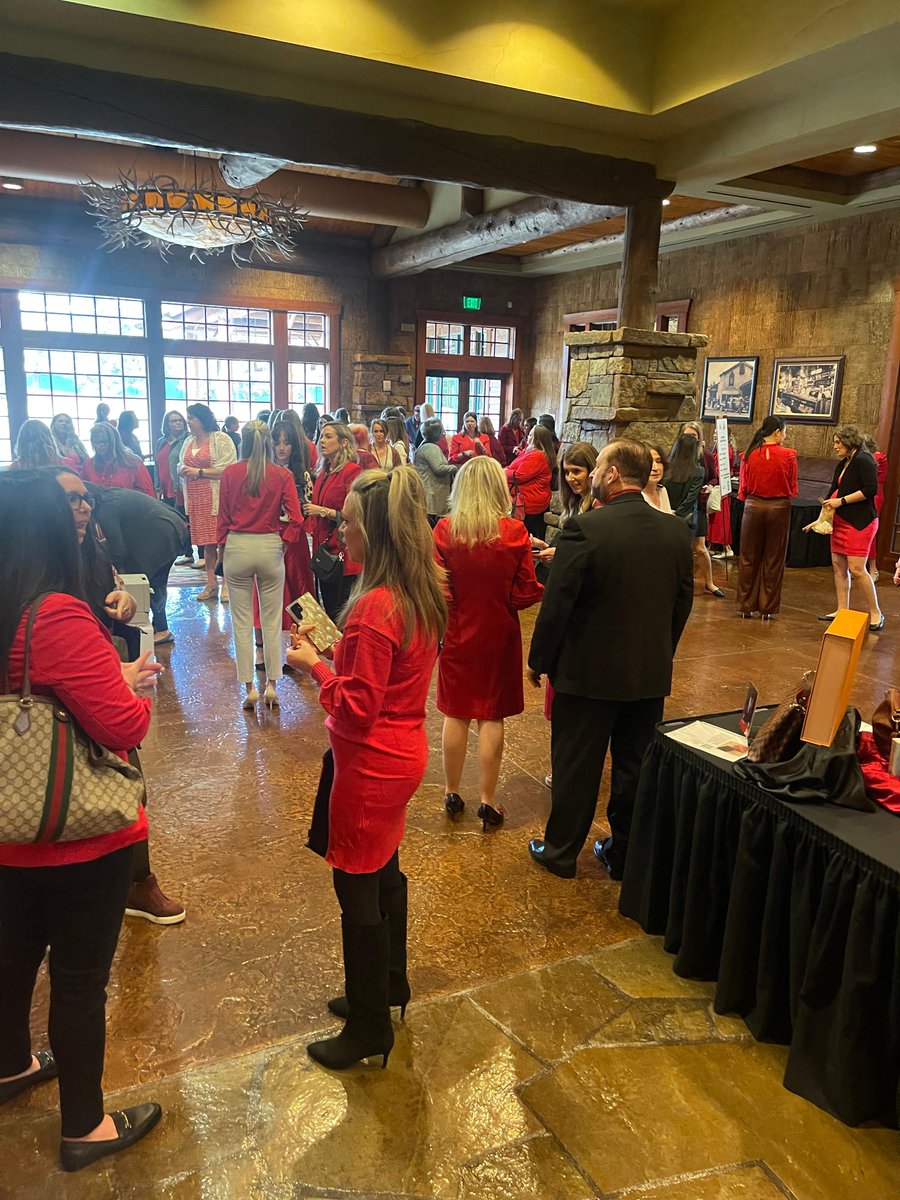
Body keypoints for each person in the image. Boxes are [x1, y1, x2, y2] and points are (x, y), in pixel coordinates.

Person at [0, 470, 163, 1171]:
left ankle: (8, 1064)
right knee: (77, 979)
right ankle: (85, 1126)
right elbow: (121, 722)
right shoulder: (56, 614)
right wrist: (130, 682)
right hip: (74, 834)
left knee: (11, 958)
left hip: (8, 823)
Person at [286, 467, 448, 1070]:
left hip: (371, 762)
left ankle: (367, 1026)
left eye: (348, 522)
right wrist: (336, 652)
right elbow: (382, 678)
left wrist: (313, 666)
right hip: (402, 752)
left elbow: (354, 709)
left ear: (373, 533)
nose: (339, 532)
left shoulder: (375, 606)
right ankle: (387, 986)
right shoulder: (420, 590)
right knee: (385, 874)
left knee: (354, 886)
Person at [527, 439, 693, 880]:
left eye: (599, 466)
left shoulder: (587, 529)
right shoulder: (676, 532)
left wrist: (538, 660)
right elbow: (682, 604)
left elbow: (558, 603)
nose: (595, 473)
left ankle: (560, 852)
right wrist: (661, 650)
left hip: (587, 675)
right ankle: (623, 855)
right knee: (633, 768)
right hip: (647, 674)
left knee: (576, 766)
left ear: (614, 473)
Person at [47, 466, 186, 926]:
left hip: (103, 677)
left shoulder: (91, 546)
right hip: (65, 696)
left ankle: (137, 883)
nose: (84, 506)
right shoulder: (36, 564)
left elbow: (115, 589)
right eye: (71, 500)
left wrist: (123, 600)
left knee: (130, 782)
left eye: (85, 497)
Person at [435, 457, 542, 829]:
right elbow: (524, 594)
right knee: (490, 715)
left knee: (456, 711)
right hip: (498, 634)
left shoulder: (445, 531)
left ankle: (450, 790)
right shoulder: (515, 533)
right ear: (499, 488)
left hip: (458, 632)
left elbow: (442, 592)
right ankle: (488, 800)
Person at [217, 421, 303, 709]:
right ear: (268, 442)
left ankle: (249, 688)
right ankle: (273, 686)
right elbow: (297, 518)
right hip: (269, 545)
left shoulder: (230, 472)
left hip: (237, 545)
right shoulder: (282, 474)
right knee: (271, 620)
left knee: (241, 621)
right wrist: (284, 542)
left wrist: (221, 549)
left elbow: (222, 518)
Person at [87, 485, 188, 648]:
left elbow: (118, 549)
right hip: (171, 526)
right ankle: (160, 626)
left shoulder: (105, 508)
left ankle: (160, 629)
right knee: (155, 580)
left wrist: (112, 574)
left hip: (163, 532)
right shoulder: (110, 496)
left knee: (150, 581)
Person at [819, 425, 882, 631]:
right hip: (841, 521)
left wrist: (841, 502)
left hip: (860, 522)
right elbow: (834, 490)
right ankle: (841, 609)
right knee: (838, 567)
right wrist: (825, 511)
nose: (835, 446)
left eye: (838, 442)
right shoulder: (844, 462)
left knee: (856, 569)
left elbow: (870, 489)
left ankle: (875, 613)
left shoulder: (865, 460)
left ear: (849, 442)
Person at [736, 415, 798, 619]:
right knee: (774, 558)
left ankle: (746, 605)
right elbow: (793, 488)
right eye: (785, 431)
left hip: (753, 507)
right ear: (778, 432)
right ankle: (767, 608)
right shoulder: (789, 455)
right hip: (778, 508)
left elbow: (743, 488)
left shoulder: (749, 454)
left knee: (748, 557)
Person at [266, 414, 315, 665]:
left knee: (299, 591)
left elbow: (305, 510)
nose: (282, 448)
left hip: (293, 542)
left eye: (287, 442)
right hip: (268, 538)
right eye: (277, 442)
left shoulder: (301, 475)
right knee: (271, 594)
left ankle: (301, 647)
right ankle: (268, 650)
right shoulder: (262, 472)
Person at [176, 403, 237, 602]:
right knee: (206, 545)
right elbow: (180, 463)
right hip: (195, 498)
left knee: (223, 543)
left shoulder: (220, 439)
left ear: (202, 419)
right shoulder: (188, 441)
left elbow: (229, 468)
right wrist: (182, 470)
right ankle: (211, 583)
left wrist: (199, 472)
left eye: (192, 417)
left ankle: (227, 584)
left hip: (217, 499)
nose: (188, 421)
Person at [305, 421, 363, 620]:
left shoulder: (352, 471)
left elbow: (355, 513)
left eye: (328, 436)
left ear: (344, 442)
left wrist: (323, 511)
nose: (322, 441)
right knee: (328, 607)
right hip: (324, 549)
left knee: (340, 612)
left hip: (342, 551)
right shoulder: (323, 472)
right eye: (321, 436)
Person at [667, 427, 723, 598]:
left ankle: (710, 583)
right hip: (677, 513)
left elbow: (711, 480)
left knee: (700, 548)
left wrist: (673, 512)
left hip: (689, 512)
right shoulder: (668, 467)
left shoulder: (703, 460)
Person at [531, 441, 599, 568]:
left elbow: (594, 557)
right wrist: (545, 547)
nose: (570, 478)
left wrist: (559, 555)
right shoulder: (576, 503)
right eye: (567, 472)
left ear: (592, 471)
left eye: (576, 471)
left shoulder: (597, 508)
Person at [505, 422, 556, 539]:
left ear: (538, 440)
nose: (528, 437)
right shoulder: (532, 453)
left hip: (529, 502)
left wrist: (503, 471)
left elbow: (519, 476)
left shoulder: (537, 456)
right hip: (529, 500)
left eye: (531, 435)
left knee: (525, 535)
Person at [154, 411, 192, 563]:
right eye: (173, 421)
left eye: (180, 420)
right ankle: (185, 552)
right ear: (167, 424)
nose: (178, 423)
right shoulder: (160, 442)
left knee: (185, 520)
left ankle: (192, 553)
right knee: (173, 521)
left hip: (180, 487)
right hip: (165, 487)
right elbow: (157, 466)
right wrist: (157, 489)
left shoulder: (187, 440)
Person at [83, 423, 155, 499]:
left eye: (105, 441)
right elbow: (83, 493)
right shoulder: (88, 465)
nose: (100, 445)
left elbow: (149, 495)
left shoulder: (132, 462)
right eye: (96, 442)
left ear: (114, 441)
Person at [414, 418, 457, 526]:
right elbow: (439, 468)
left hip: (430, 493)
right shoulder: (431, 447)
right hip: (432, 495)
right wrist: (455, 467)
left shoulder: (424, 445)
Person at [862, 434, 888, 581]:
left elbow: (874, 466)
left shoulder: (878, 458)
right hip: (864, 494)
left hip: (875, 496)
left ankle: (873, 568)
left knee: (870, 532)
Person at [642, 443, 673, 512]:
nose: (655, 468)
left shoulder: (662, 490)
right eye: (649, 462)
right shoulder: (635, 497)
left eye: (658, 461)